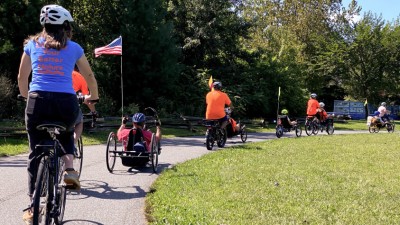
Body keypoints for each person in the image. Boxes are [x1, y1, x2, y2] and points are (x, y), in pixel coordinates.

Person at [17, 4, 99, 224]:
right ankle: (70, 171)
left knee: (35, 149)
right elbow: (89, 75)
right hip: (65, 102)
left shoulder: (31, 45)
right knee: (66, 133)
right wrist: (94, 96)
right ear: (65, 26)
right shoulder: (74, 48)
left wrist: (28, 97)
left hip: (37, 102)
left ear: (44, 25)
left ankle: (32, 204)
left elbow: (21, 78)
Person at [72, 65, 97, 146]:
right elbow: (87, 100)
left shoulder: (59, 73)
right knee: (79, 122)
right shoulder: (80, 77)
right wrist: (93, 112)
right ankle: (73, 144)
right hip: (70, 103)